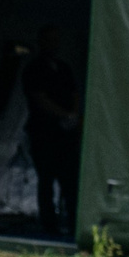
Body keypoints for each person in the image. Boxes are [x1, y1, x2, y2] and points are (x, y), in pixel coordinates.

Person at [20, 24, 82, 239]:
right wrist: (64, 115)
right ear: (41, 42)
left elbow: (75, 93)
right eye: (49, 40)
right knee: (46, 180)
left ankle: (73, 223)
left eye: (56, 40)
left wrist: (73, 116)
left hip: (65, 135)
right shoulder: (33, 69)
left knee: (70, 181)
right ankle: (49, 226)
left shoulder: (63, 68)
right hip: (43, 133)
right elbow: (39, 99)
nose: (53, 45)